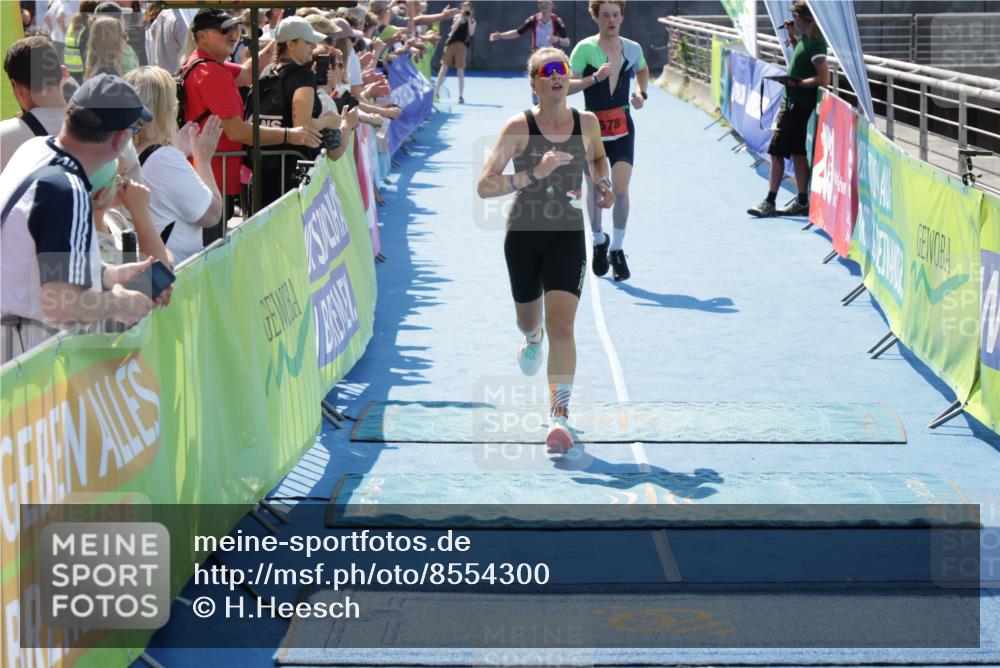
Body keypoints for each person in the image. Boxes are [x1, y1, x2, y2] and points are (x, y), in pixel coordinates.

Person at [477, 48, 614, 454]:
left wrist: (602, 185)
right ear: (534, 81)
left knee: (564, 326)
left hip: (567, 234)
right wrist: (535, 172)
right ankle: (530, 337)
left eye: (562, 69)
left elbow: (599, 159)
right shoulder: (519, 127)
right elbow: (485, 185)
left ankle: (560, 416)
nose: (556, 76)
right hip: (523, 234)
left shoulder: (586, 122)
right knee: (529, 323)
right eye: (547, 71)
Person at [0, 73, 170, 362]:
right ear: (120, 141)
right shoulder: (68, 189)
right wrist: (118, 302)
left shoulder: (35, 149)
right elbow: (60, 305)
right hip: (28, 356)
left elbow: (34, 257)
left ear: (69, 114)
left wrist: (110, 274)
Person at [180, 8, 320, 238]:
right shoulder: (209, 71)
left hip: (211, 175)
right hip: (213, 178)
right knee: (209, 250)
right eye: (223, 30)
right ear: (201, 36)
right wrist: (289, 135)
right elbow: (237, 131)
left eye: (234, 28)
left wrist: (278, 39)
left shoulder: (205, 64)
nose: (232, 35)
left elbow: (247, 73)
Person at [568, 0, 648, 283]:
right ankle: (598, 239)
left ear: (622, 17)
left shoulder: (633, 48)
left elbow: (642, 69)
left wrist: (641, 93)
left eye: (616, 14)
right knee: (595, 188)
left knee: (622, 190)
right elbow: (566, 85)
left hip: (624, 130)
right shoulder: (584, 49)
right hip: (593, 132)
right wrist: (594, 77)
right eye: (606, 15)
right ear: (596, 18)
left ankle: (617, 248)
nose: (611, 20)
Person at [125, 66, 224, 265]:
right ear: (166, 109)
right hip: (174, 276)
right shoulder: (164, 159)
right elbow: (212, 215)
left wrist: (176, 150)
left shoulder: (120, 150)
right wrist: (202, 159)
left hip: (144, 270)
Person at [257, 16, 357, 206]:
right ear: (290, 44)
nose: (313, 47)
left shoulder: (268, 70)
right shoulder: (303, 76)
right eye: (308, 42)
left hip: (264, 164)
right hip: (294, 169)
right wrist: (328, 120)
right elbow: (302, 128)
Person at [747, 0, 829, 218]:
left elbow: (824, 79)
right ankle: (802, 200)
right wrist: (792, 37)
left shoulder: (816, 44)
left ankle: (770, 201)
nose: (793, 22)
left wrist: (798, 84)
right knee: (798, 153)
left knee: (776, 152)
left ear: (805, 19)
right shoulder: (807, 39)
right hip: (795, 103)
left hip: (795, 106)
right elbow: (803, 61)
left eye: (795, 19)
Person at [433, 1, 474, 104]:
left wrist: (468, 19)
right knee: (443, 68)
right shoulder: (457, 17)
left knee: (460, 71)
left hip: (462, 46)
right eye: (464, 7)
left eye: (467, 7)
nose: (465, 9)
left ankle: (460, 96)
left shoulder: (472, 21)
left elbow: (471, 33)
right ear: (461, 7)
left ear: (470, 9)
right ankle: (436, 92)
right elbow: (453, 28)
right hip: (451, 43)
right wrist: (460, 18)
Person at [489, 1, 569, 52]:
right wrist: (500, 35)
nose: (544, 6)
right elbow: (517, 32)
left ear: (552, 5)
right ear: (539, 5)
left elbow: (567, 42)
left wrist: (558, 39)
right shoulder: (533, 19)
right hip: (536, 54)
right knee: (534, 76)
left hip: (551, 55)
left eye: (547, 3)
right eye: (541, 3)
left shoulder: (557, 20)